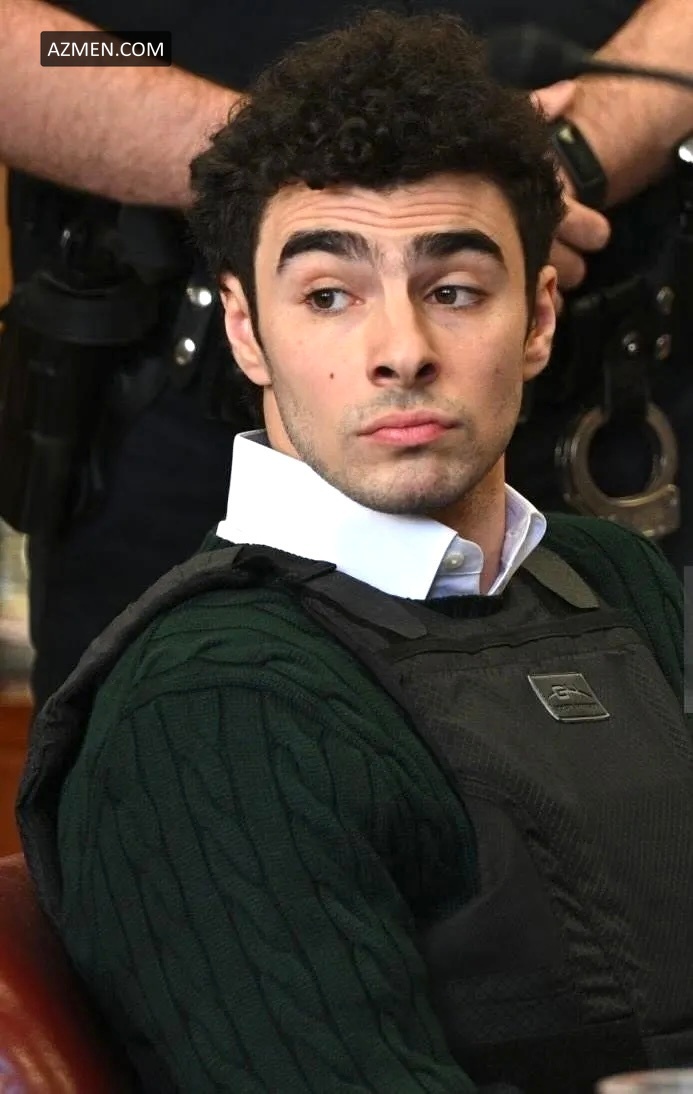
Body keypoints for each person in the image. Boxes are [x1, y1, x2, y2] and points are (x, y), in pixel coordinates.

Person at [17, 13, 693, 1093]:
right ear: (248, 330)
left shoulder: (619, 582)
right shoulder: (213, 709)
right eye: (329, 295)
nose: (400, 352)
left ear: (537, 318)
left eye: (454, 290)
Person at [1, 0, 689, 712]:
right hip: (156, 416)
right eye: (330, 295)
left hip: (624, 406)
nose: (402, 351)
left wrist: (563, 159)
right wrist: (297, 166)